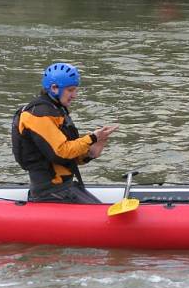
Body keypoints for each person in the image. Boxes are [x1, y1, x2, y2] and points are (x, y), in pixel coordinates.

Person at [11, 62, 118, 204]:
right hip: (50, 192)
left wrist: (92, 151)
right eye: (70, 90)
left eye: (75, 90)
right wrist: (92, 137)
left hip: (64, 187)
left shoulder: (56, 110)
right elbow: (61, 151)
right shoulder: (38, 115)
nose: (74, 95)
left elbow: (69, 154)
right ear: (54, 88)